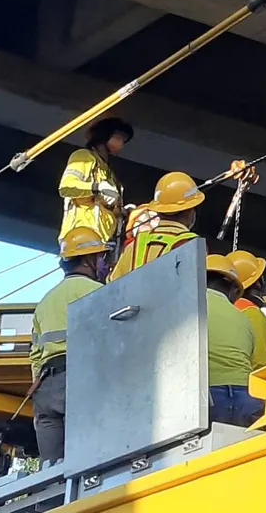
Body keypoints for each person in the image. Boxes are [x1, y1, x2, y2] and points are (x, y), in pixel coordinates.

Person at [30, 228, 110, 464]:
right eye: (101, 257)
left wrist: (42, 390)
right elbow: (113, 339)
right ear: (88, 260)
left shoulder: (44, 302)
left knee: (50, 467)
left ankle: (51, 490)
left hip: (46, 386)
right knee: (88, 460)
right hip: (81, 377)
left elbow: (35, 356)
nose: (104, 263)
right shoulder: (98, 292)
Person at [108, 171, 203, 281]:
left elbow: (112, 285)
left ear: (158, 210)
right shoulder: (192, 244)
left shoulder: (133, 246)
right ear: (190, 211)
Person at [205, 254, 263, 427]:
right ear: (234, 291)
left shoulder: (191, 308)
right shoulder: (244, 318)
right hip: (247, 395)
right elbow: (258, 363)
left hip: (208, 393)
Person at [58, 117, 134, 245]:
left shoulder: (110, 174)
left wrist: (124, 211)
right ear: (104, 133)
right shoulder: (84, 156)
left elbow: (107, 208)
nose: (121, 142)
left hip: (103, 242)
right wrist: (97, 187)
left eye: (124, 139)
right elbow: (66, 187)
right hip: (81, 236)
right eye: (118, 136)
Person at [228, 250, 266, 369]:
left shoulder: (218, 308)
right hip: (244, 377)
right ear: (257, 283)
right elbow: (260, 362)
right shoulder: (252, 314)